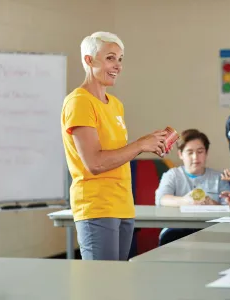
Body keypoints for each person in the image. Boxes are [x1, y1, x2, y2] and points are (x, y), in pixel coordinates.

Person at [61, 31, 168, 261]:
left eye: (120, 59)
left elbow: (117, 155)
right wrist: (140, 144)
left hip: (123, 205)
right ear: (89, 60)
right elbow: (95, 163)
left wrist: (149, 143)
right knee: (101, 286)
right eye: (110, 58)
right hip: (97, 206)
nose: (117, 65)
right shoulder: (79, 101)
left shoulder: (116, 105)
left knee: (117, 284)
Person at [155, 129, 230, 245]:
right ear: (180, 154)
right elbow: (161, 199)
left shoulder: (219, 177)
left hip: (210, 229)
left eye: (200, 152)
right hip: (176, 228)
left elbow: (229, 207)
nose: (195, 157)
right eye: (190, 152)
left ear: (206, 153)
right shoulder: (172, 175)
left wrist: (212, 204)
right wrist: (185, 201)